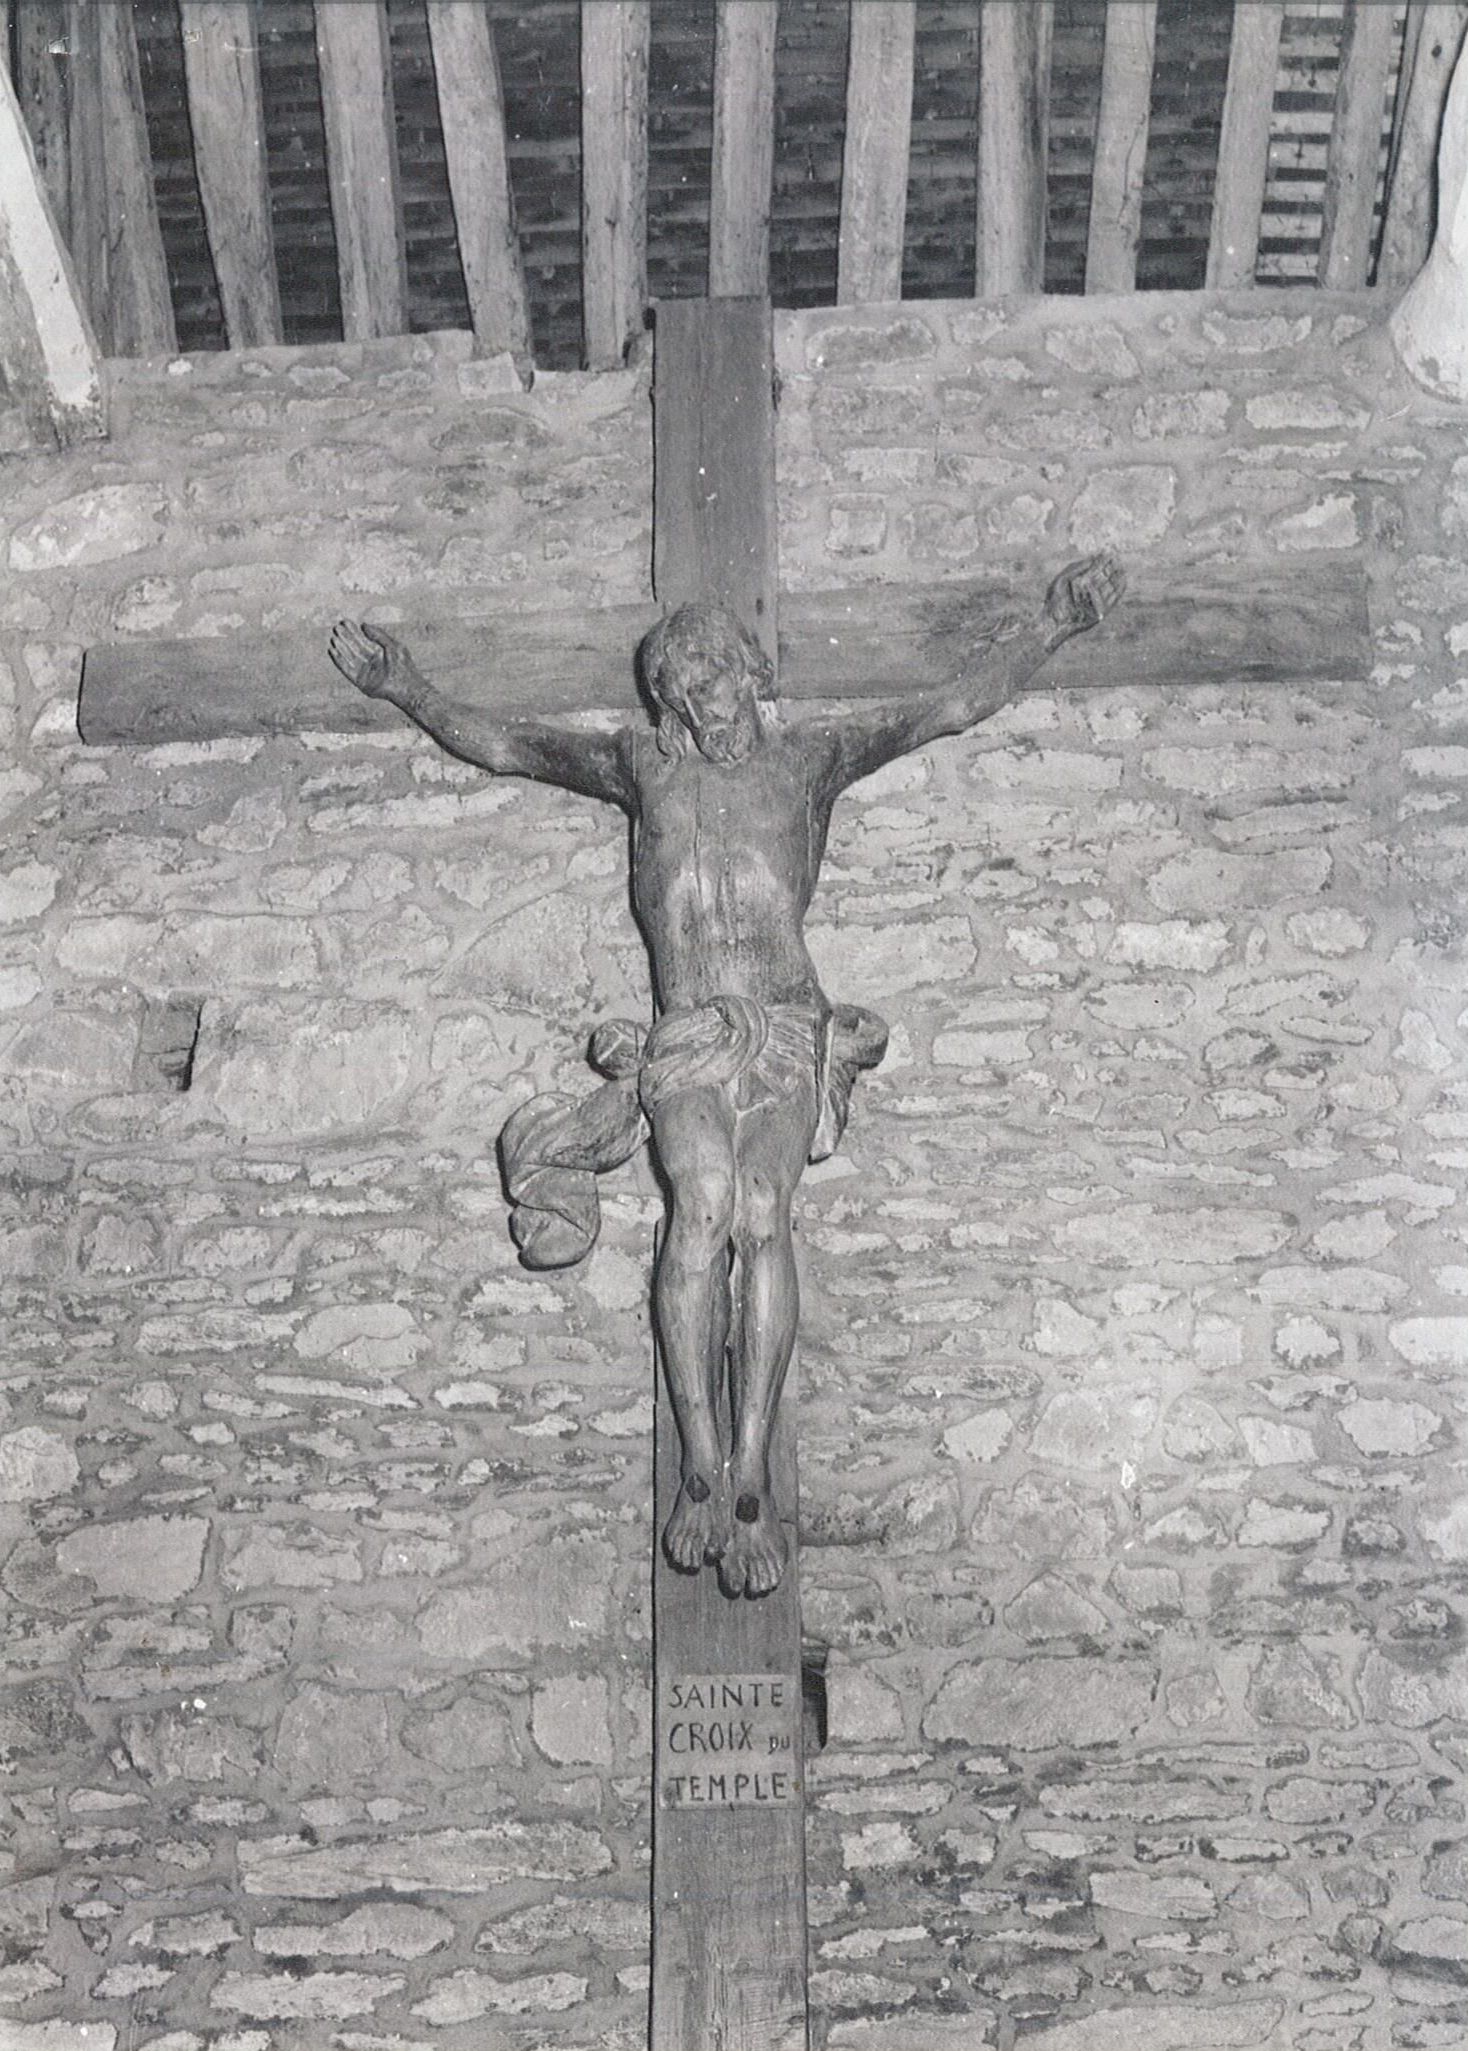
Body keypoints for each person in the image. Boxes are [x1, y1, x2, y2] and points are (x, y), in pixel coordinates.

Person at [329, 549, 1123, 1596]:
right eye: (676, 687)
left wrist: (1051, 625)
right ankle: (700, 1459)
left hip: (787, 1028)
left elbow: (950, 707)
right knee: (700, 1201)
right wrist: (406, 686)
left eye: (710, 674)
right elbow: (510, 746)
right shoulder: (643, 768)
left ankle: (750, 1461)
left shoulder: (810, 762)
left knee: (759, 1207)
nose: (697, 698)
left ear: (750, 671)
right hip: (686, 1035)